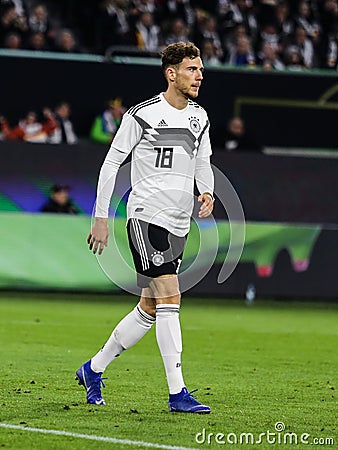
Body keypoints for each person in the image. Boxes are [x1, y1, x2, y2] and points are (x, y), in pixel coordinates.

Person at [76, 41, 214, 414]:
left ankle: (93, 369)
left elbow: (203, 161)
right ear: (171, 74)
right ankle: (177, 393)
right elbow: (111, 164)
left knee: (150, 307)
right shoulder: (142, 115)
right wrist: (100, 217)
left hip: (179, 223)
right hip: (145, 216)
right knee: (171, 296)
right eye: (192, 69)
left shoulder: (200, 117)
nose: (199, 75)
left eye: (200, 69)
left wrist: (207, 192)